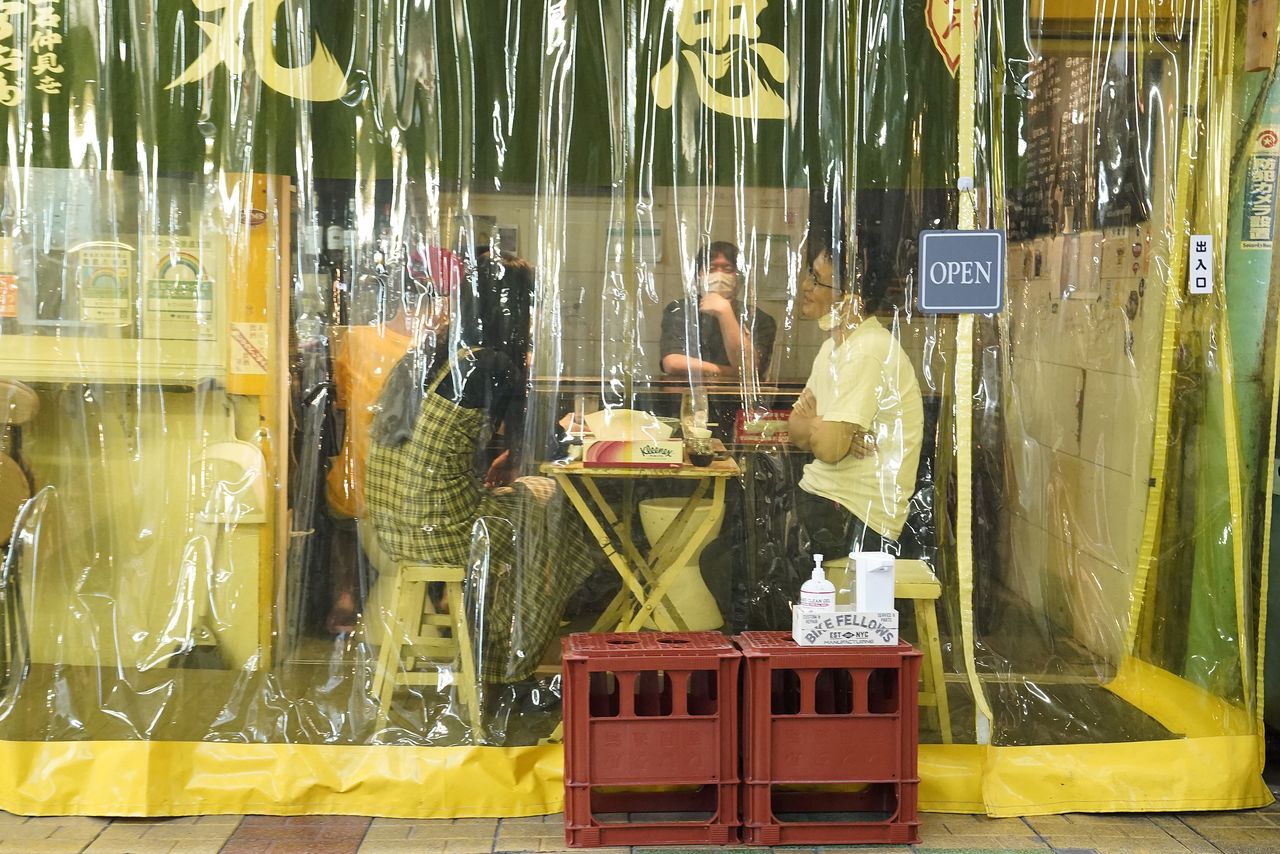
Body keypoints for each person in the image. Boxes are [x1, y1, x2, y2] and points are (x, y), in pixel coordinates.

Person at [364, 252, 593, 684]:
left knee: (524, 507)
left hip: (392, 523)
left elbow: (447, 443)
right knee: (552, 506)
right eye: (530, 306)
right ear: (513, 310)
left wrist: (508, 457)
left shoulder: (430, 350)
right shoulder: (492, 364)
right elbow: (539, 441)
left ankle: (485, 629)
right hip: (443, 531)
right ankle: (507, 660)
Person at [321, 248, 459, 634]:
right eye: (449, 301)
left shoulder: (357, 340)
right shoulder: (440, 353)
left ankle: (345, 596)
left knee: (345, 506)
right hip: (410, 489)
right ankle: (441, 593)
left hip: (359, 483)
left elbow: (343, 405)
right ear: (434, 301)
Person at [787, 247, 924, 557]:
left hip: (857, 516)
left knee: (737, 562)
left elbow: (829, 449)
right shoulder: (832, 349)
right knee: (727, 551)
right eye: (809, 275)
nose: (805, 286)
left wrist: (825, 432)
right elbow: (794, 431)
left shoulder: (868, 350)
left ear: (852, 299)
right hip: (822, 497)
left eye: (816, 280)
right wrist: (823, 427)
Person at [659, 241, 777, 379]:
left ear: (740, 278)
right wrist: (732, 373)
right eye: (711, 269)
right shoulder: (681, 310)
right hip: (688, 392)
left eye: (727, 269)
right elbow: (672, 363)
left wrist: (725, 313)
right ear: (698, 276)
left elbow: (750, 367)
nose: (719, 276)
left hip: (737, 393)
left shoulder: (759, 319)